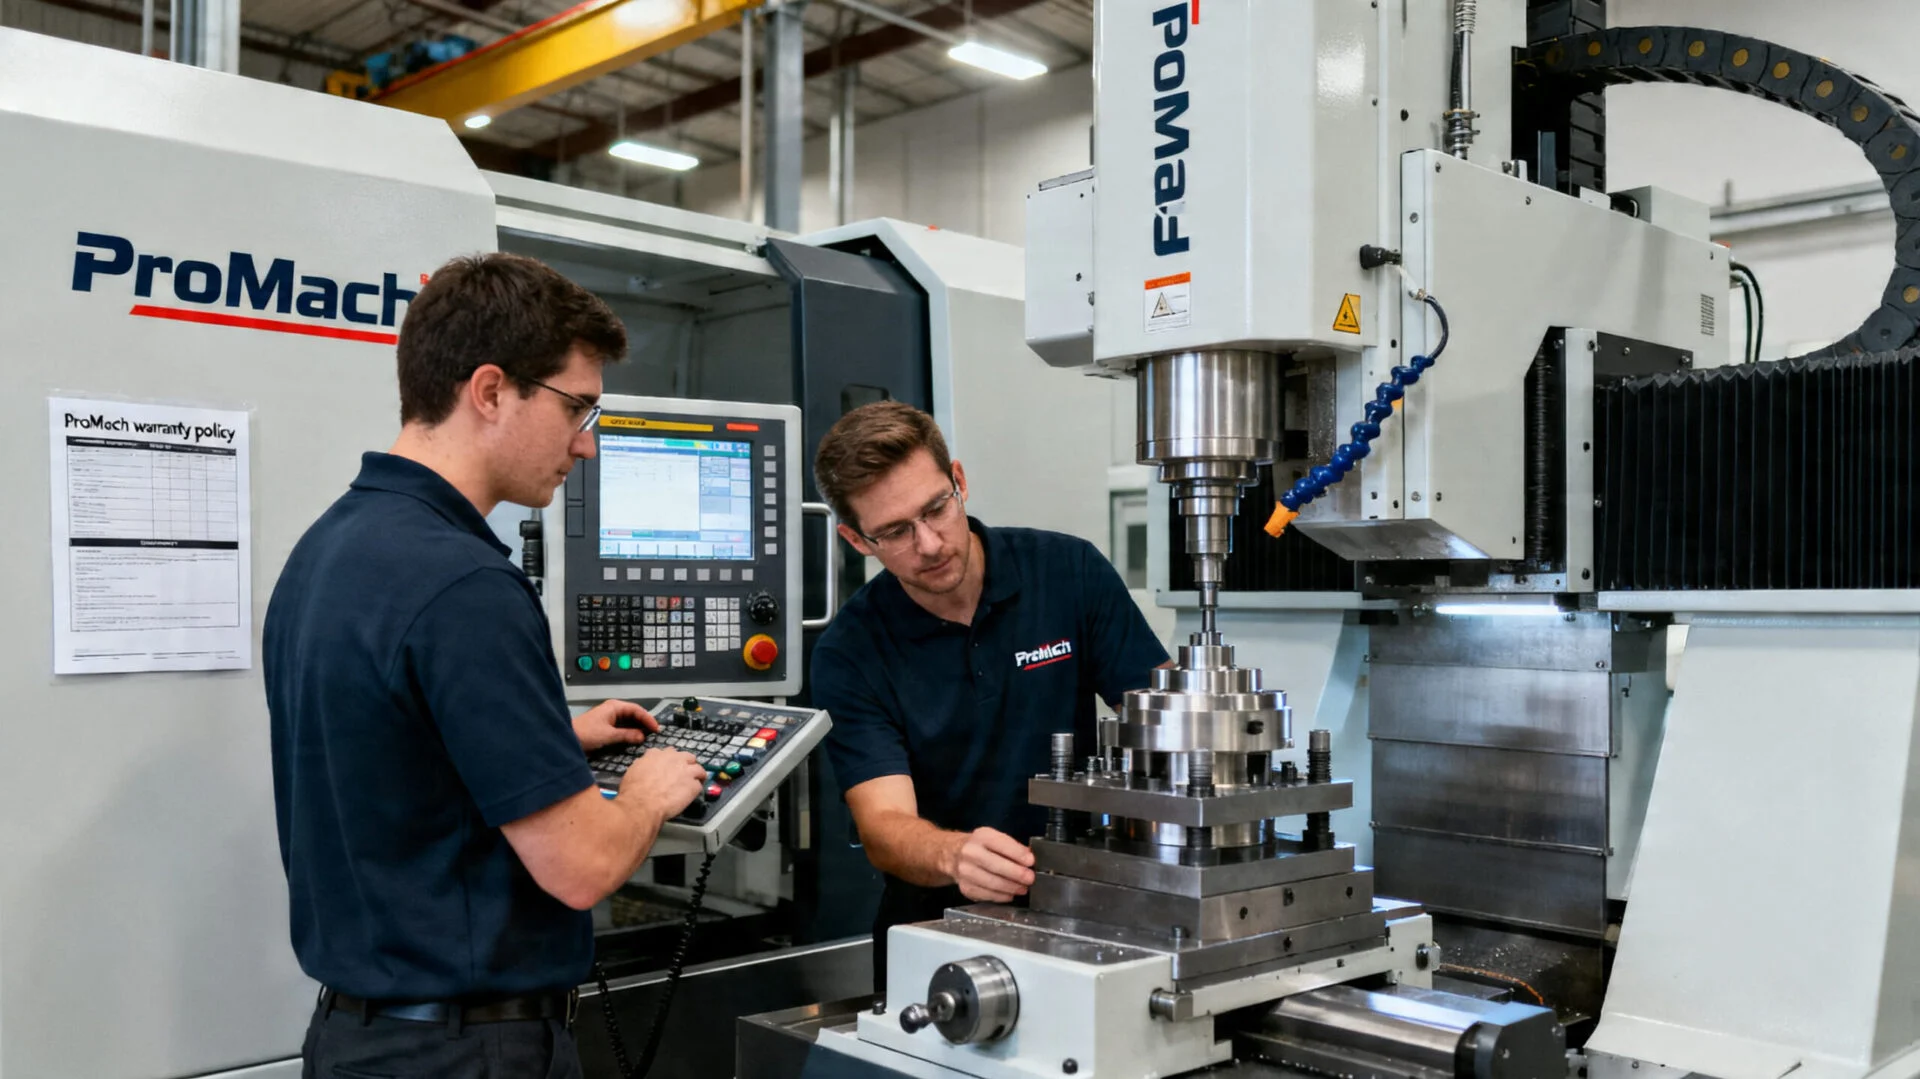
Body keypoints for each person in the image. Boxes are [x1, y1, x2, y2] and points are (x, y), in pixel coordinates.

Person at [264, 253, 707, 1078]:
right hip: (469, 1052)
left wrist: (549, 742)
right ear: (492, 389)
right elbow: (583, 867)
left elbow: (386, 755)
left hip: (359, 1040)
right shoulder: (467, 584)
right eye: (578, 407)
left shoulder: (330, 547)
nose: (585, 446)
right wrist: (645, 796)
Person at [809, 401, 1170, 986]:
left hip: (1088, 920)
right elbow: (884, 827)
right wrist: (955, 856)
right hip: (938, 938)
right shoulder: (851, 651)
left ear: (959, 480)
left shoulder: (1067, 571)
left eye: (935, 509)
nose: (928, 543)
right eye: (896, 532)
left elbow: (1165, 724)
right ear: (856, 539)